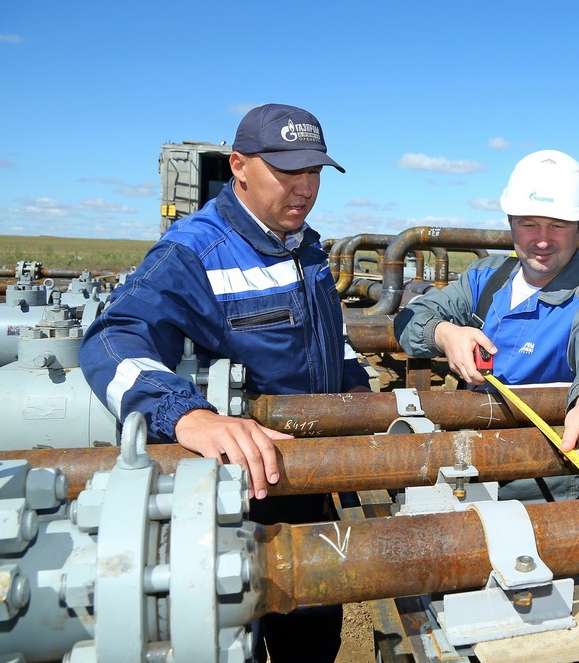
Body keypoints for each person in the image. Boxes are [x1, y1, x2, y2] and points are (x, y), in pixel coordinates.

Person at [80, 103, 368, 663]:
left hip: (313, 479)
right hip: (235, 496)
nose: (304, 188)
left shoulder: (307, 247)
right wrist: (189, 415)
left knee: (312, 640)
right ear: (239, 166)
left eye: (313, 173)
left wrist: (357, 394)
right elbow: (112, 338)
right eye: (287, 171)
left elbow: (327, 341)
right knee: (236, 636)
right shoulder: (193, 251)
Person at [394, 149, 579, 502]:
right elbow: (410, 321)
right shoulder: (485, 278)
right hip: (465, 462)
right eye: (529, 224)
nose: (543, 239)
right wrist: (444, 334)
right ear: (510, 220)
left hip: (542, 479)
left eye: (559, 225)